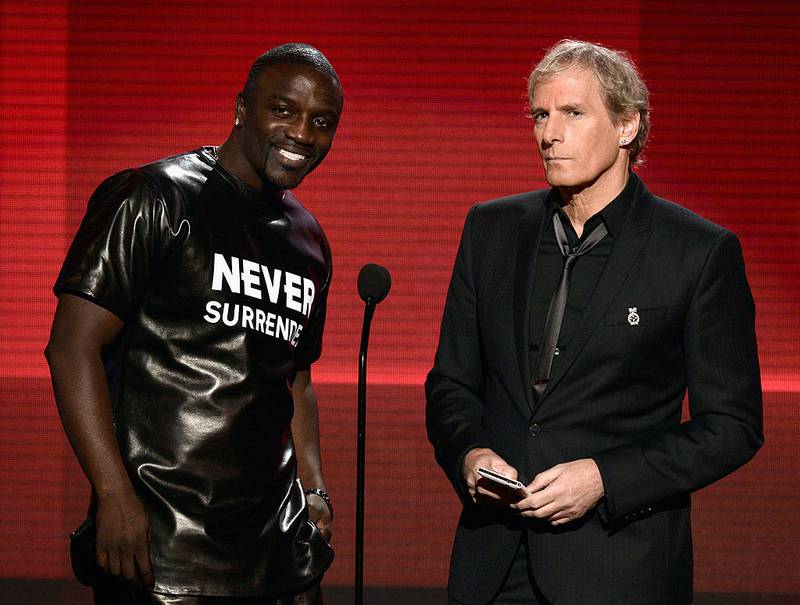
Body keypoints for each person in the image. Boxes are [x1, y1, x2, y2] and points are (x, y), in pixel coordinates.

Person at [426, 39, 763, 605]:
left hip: (618, 567)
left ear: (628, 125)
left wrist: (606, 478)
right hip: (492, 563)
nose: (548, 133)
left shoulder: (697, 252)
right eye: (540, 113)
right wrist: (469, 454)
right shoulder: (491, 230)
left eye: (572, 113)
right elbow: (452, 384)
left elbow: (732, 426)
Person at [45, 43, 343, 605]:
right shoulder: (151, 197)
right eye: (283, 110)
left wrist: (314, 487)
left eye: (322, 121)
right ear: (241, 107)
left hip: (277, 552)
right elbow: (70, 349)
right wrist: (112, 494)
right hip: (162, 544)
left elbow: (294, 378)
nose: (303, 133)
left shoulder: (308, 240)